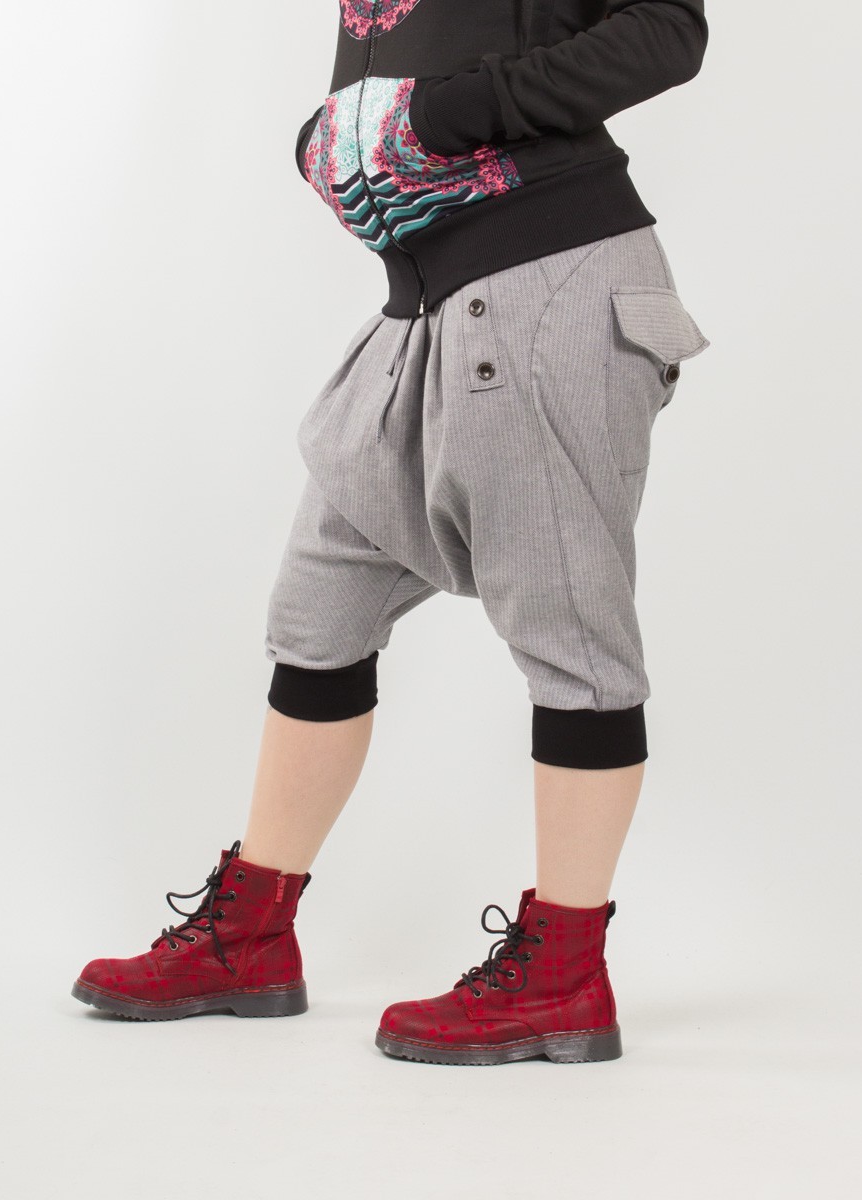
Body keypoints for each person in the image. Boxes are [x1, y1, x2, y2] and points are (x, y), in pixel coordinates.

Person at [72, 0, 711, 1065]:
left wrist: (448, 114)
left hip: (551, 278)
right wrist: (331, 137)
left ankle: (563, 977)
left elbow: (667, 32)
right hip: (421, 305)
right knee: (318, 611)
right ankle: (250, 938)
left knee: (571, 637)